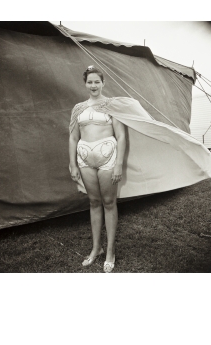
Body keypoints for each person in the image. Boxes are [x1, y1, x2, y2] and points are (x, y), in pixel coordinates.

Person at [69, 65, 126, 273]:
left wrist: (119, 163)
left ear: (103, 83)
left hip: (108, 158)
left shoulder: (112, 106)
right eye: (90, 82)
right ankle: (96, 248)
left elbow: (121, 135)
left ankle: (110, 251)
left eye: (97, 81)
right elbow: (73, 137)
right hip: (84, 159)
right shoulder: (78, 108)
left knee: (109, 202)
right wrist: (73, 164)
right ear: (85, 84)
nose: (93, 85)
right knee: (93, 202)